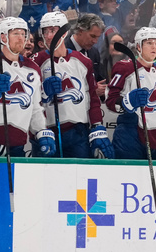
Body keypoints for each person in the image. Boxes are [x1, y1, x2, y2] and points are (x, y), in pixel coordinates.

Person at [0, 16, 56, 157]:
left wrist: (40, 131)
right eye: (16, 34)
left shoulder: (33, 68)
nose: (21, 38)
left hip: (16, 143)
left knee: (14, 180)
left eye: (23, 34)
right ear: (3, 37)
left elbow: (35, 108)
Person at [30, 11, 111, 159]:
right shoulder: (35, 62)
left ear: (64, 32)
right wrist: (42, 92)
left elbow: (92, 98)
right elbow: (28, 101)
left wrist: (97, 127)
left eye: (53, 30)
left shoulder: (83, 61)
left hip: (78, 133)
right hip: (47, 133)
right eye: (45, 31)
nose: (48, 36)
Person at [105, 26, 156, 160]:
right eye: (149, 43)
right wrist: (127, 102)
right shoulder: (125, 67)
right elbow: (111, 100)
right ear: (139, 47)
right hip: (131, 134)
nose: (154, 47)